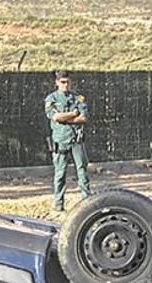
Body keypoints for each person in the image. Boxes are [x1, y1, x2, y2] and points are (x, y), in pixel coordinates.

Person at [45, 70, 90, 212]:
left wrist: (66, 118)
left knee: (82, 171)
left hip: (76, 140)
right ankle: (59, 204)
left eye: (68, 82)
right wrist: (73, 114)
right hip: (60, 140)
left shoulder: (78, 98)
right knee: (60, 174)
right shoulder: (51, 99)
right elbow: (55, 117)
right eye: (63, 82)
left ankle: (86, 200)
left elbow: (84, 118)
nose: (66, 85)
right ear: (57, 82)